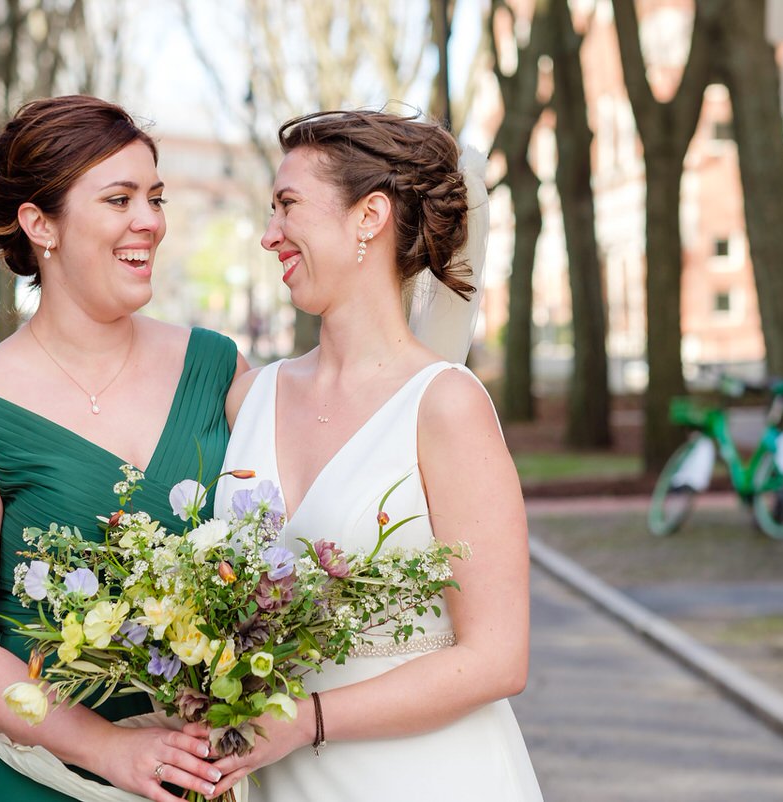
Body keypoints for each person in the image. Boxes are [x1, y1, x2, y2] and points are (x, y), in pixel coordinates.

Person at [0, 95, 246, 802]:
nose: (149, 220)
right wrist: (109, 748)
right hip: (32, 780)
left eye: (154, 197)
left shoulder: (218, 370)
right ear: (39, 224)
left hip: (200, 774)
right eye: (118, 199)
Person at [206, 110, 543, 800]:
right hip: (278, 778)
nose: (270, 235)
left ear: (370, 216)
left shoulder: (444, 406)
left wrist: (309, 720)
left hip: (426, 775)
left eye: (288, 206)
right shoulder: (251, 398)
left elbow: (498, 658)